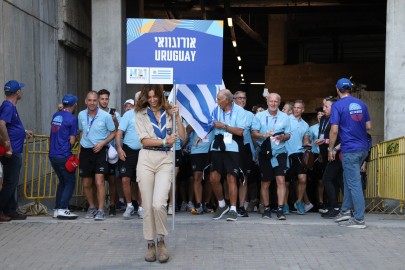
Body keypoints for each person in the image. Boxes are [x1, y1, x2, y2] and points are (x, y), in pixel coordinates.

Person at [135, 84, 184, 263]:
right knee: (147, 205)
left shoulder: (170, 112)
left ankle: (162, 241)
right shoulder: (139, 114)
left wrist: (177, 116)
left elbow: (183, 137)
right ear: (145, 98)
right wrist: (164, 140)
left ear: (161, 97)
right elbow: (144, 139)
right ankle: (150, 243)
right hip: (146, 157)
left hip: (165, 159)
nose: (153, 100)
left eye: (155, 96)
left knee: (159, 204)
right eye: (149, 97)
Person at [329, 78, 371, 229]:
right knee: (348, 179)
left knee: (354, 183)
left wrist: (331, 149)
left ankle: (359, 219)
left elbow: (334, 130)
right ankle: (346, 211)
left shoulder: (337, 105)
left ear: (337, 89)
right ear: (350, 89)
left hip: (350, 149)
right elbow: (368, 126)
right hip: (363, 148)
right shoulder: (361, 104)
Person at [78, 90, 116, 221]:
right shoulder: (81, 115)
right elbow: (81, 132)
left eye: (94, 100)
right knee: (87, 182)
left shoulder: (105, 116)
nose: (92, 103)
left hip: (100, 151)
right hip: (86, 151)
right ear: (85, 101)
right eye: (90, 100)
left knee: (99, 181)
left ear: (97, 102)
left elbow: (113, 132)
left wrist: (103, 143)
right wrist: (79, 152)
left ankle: (101, 210)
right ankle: (92, 207)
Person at [252, 93, 291, 220]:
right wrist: (264, 136)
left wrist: (282, 137)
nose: (273, 104)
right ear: (267, 101)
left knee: (281, 180)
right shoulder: (259, 116)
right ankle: (267, 208)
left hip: (280, 152)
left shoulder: (285, 116)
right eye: (271, 101)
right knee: (265, 182)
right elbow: (254, 133)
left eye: (276, 101)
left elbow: (288, 135)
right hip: (265, 153)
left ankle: (280, 209)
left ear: (279, 103)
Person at [209, 89, 246, 222]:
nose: (216, 101)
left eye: (219, 99)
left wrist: (224, 126)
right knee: (213, 177)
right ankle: (222, 205)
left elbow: (240, 131)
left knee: (231, 177)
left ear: (228, 100)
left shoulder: (239, 111)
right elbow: (209, 125)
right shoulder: (216, 109)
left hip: (233, 145)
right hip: (217, 144)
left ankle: (233, 209)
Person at [0, 80, 33, 221]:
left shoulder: (10, 106)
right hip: (11, 151)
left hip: (14, 150)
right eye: (20, 90)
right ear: (17, 92)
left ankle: (10, 210)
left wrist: (24, 131)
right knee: (10, 182)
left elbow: (11, 125)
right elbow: (1, 124)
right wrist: (8, 143)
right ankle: (2, 210)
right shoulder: (8, 106)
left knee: (11, 182)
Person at [49, 94, 79, 219]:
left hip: (53, 155)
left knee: (62, 182)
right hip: (64, 155)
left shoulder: (56, 115)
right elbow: (72, 141)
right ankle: (63, 208)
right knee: (70, 182)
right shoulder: (72, 119)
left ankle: (57, 208)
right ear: (75, 105)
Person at [116, 97, 143, 219]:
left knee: (141, 181)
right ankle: (129, 206)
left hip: (144, 151)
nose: (140, 102)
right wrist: (119, 149)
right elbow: (119, 132)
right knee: (125, 179)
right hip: (128, 150)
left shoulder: (148, 114)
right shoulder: (128, 114)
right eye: (138, 100)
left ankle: (141, 208)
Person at [317, 96, 343, 219]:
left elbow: (339, 137)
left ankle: (335, 206)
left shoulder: (338, 118)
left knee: (327, 179)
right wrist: (320, 152)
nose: (324, 108)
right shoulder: (322, 118)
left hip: (336, 154)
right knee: (332, 180)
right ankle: (332, 205)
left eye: (326, 106)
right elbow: (321, 133)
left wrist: (327, 142)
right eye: (323, 105)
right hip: (325, 153)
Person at [97, 89, 121, 216]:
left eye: (106, 99)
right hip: (98, 150)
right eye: (102, 99)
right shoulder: (94, 113)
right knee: (98, 180)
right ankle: (97, 206)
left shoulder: (114, 113)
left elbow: (121, 129)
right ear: (98, 100)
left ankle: (112, 204)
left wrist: (115, 120)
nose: (104, 101)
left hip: (111, 152)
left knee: (112, 180)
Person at [285, 100, 311, 215]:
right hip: (286, 153)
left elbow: (305, 139)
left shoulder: (305, 125)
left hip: (299, 154)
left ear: (303, 110)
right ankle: (284, 204)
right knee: (286, 182)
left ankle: (299, 202)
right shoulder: (286, 119)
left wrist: (307, 144)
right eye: (295, 107)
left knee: (303, 179)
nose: (296, 109)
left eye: (299, 108)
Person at [233, 91, 255, 217]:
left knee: (244, 178)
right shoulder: (229, 112)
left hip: (245, 148)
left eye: (244, 98)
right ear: (234, 99)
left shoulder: (250, 115)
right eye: (239, 98)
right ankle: (230, 205)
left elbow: (254, 135)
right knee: (230, 178)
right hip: (230, 147)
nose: (242, 100)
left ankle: (241, 206)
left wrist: (256, 151)